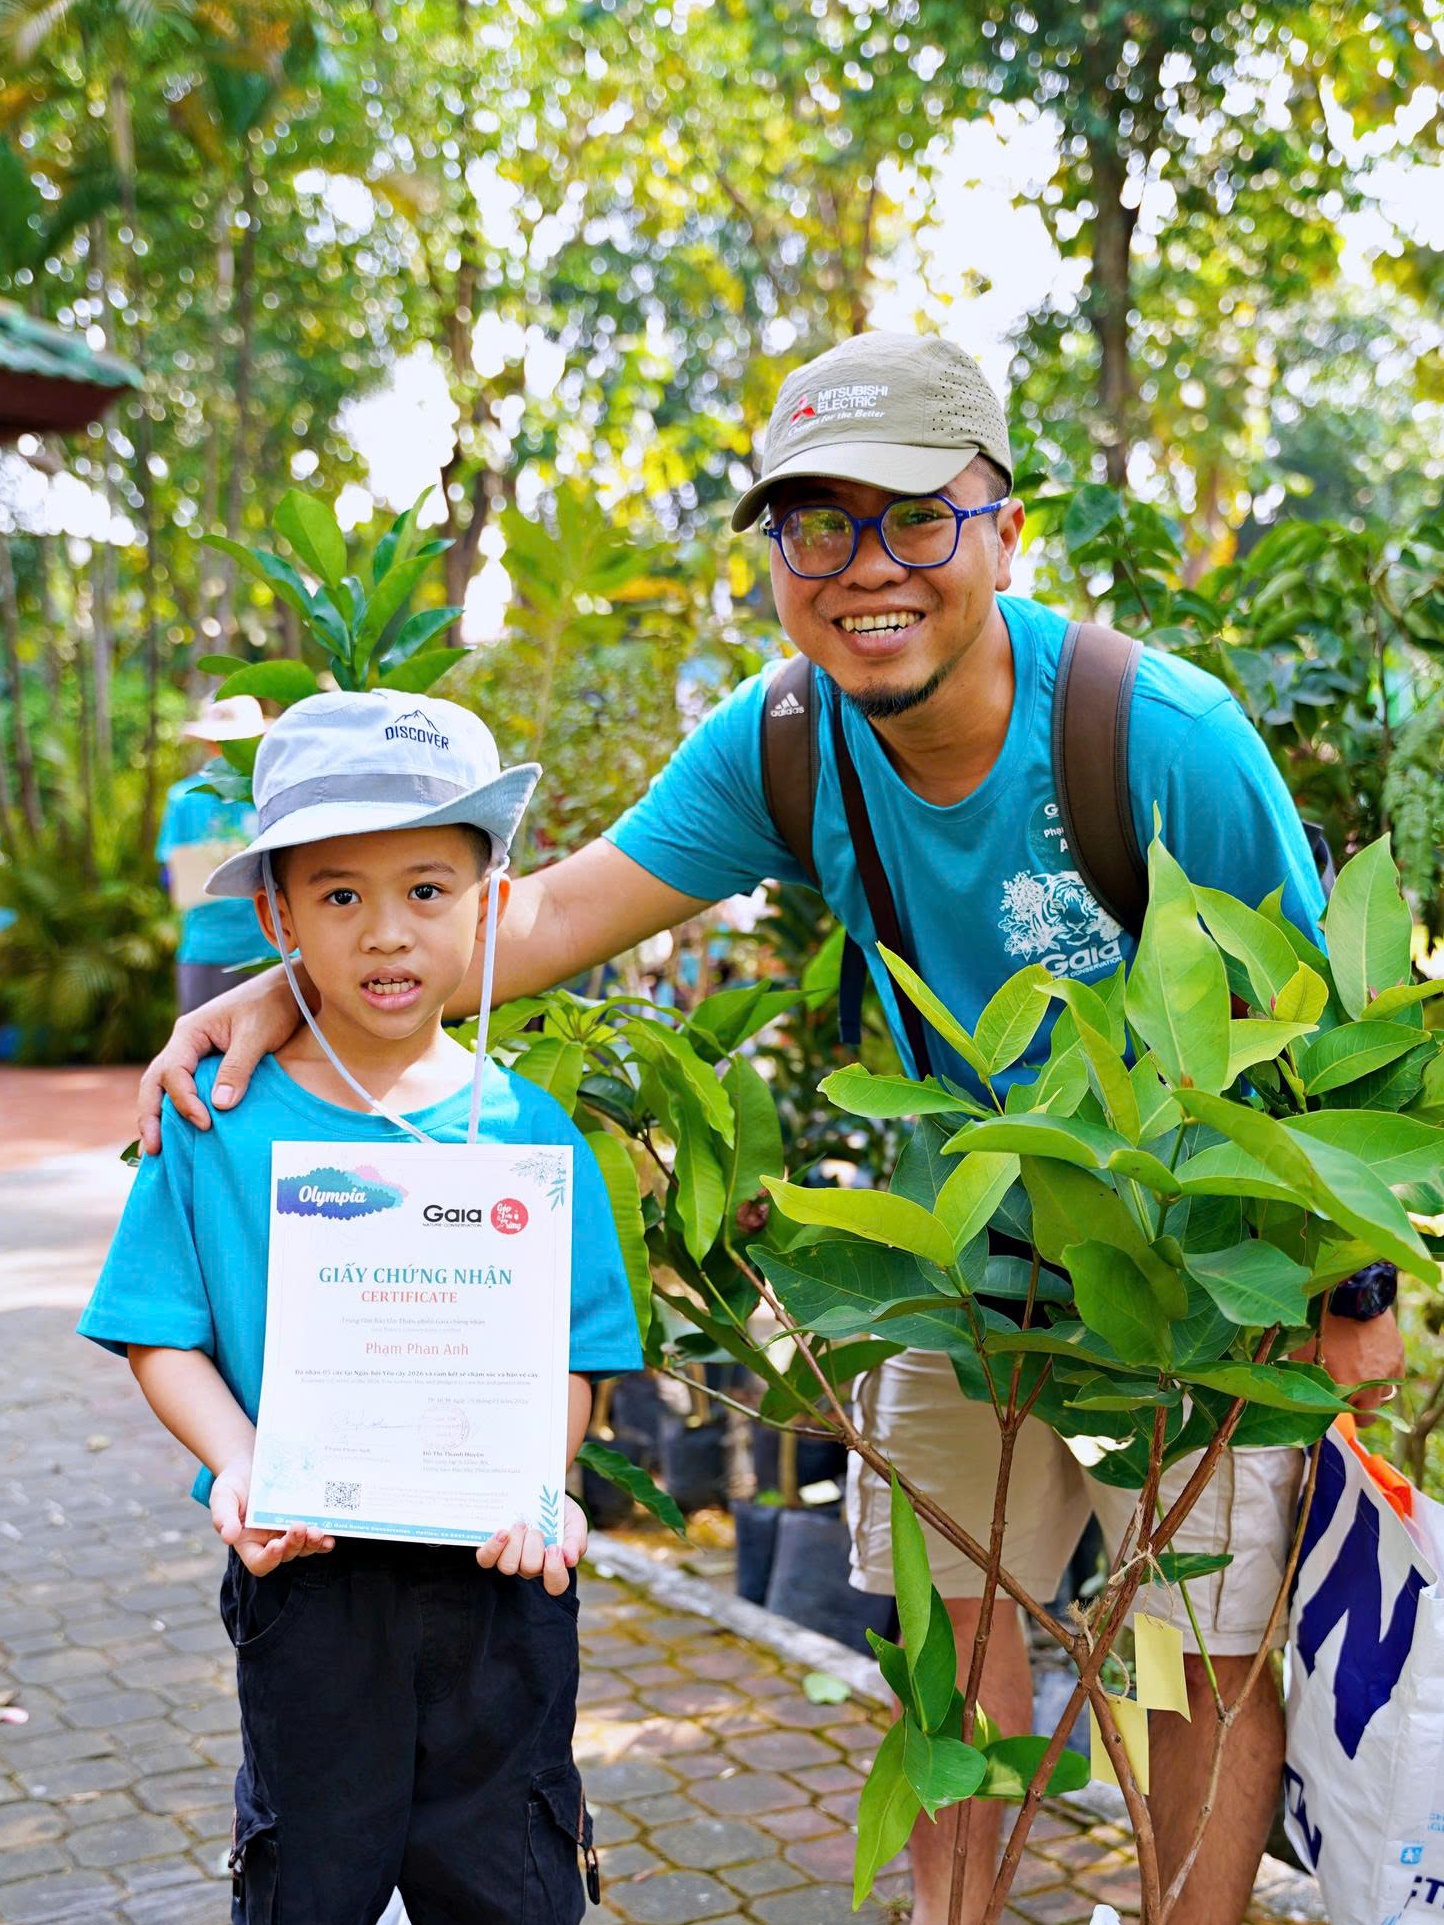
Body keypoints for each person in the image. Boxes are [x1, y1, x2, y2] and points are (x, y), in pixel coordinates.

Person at [136, 333, 1405, 1925]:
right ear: (780, 561)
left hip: (1191, 1287)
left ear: (1006, 529)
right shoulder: (785, 739)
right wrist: (290, 990)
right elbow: (545, 918)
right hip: (960, 1280)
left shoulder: (1160, 733)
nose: (869, 566)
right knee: (954, 1655)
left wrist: (1357, 1297)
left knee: (1184, 1659)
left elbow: (1324, 1034)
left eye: (916, 516)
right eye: (819, 524)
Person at [84, 689, 642, 1923]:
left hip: (493, 1585)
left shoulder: (530, 1133)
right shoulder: (217, 1123)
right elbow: (158, 1329)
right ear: (277, 916)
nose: (386, 931)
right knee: (309, 1881)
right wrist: (242, 1462)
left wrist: (534, 1476)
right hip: (308, 1575)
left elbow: (576, 1351)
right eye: (339, 895)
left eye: (427, 888)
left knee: (510, 1878)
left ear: (490, 902)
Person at [156, 696, 269, 1015]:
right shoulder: (184, 798)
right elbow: (172, 878)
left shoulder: (271, 794)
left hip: (273, 949)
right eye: (221, 742)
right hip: (208, 948)